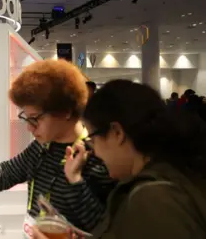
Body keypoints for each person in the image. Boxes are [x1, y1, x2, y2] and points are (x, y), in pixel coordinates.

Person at [0, 60, 117, 236]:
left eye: (35, 118)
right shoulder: (40, 148)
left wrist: (75, 181)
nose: (30, 128)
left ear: (66, 111)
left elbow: (104, 227)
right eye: (26, 118)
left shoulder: (99, 155)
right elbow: (2, 177)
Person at [33, 80, 206, 239]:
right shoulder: (173, 175)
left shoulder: (153, 198)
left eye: (93, 140)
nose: (95, 152)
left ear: (117, 133)